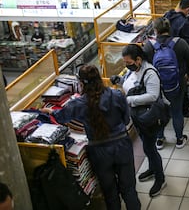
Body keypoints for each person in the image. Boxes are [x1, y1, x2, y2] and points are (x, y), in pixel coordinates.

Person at [41, 65, 141, 210]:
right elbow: (126, 120)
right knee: (129, 189)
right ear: (99, 78)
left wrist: (49, 110)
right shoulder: (116, 95)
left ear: (81, 83)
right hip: (122, 145)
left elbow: (61, 117)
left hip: (99, 151)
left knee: (110, 193)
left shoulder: (79, 103)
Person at [120, 44, 167, 197]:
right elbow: (132, 83)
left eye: (129, 62)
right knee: (147, 147)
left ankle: (160, 179)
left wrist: (129, 100)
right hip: (138, 117)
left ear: (138, 59)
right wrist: (120, 81)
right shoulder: (135, 70)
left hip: (149, 118)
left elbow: (153, 96)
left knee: (151, 149)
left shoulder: (150, 73)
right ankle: (152, 169)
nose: (127, 65)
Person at [143, 17, 189, 150]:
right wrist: (186, 76)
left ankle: (159, 139)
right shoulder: (180, 43)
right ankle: (179, 139)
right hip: (177, 83)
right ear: (169, 28)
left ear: (155, 30)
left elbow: (144, 66)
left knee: (158, 111)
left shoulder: (149, 46)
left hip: (156, 86)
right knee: (177, 111)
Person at [164, 0, 189, 118]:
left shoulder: (167, 16)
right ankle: (184, 109)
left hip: (167, 57)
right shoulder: (184, 24)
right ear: (188, 9)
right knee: (183, 85)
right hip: (181, 59)